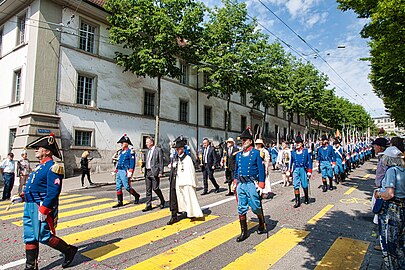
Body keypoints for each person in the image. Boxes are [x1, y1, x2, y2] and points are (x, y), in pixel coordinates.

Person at [12, 133, 78, 269]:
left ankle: (69, 250)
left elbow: (53, 191)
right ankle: (31, 266)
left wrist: (45, 208)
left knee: (43, 235)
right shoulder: (38, 167)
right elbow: (34, 187)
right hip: (30, 205)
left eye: (38, 148)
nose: (35, 150)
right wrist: (22, 197)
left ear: (47, 151)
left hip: (41, 206)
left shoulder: (53, 167)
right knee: (30, 235)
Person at [233, 127, 266, 242]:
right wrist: (235, 182)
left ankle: (261, 222)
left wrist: (261, 185)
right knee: (241, 208)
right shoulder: (238, 155)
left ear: (250, 141)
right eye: (242, 140)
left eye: (245, 140)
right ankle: (244, 232)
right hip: (241, 184)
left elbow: (261, 170)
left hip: (251, 183)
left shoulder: (257, 154)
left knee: (256, 206)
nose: (243, 142)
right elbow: (236, 170)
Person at [374, 146, 405, 269]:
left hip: (392, 210)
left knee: (389, 244)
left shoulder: (392, 171)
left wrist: (379, 194)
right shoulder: (403, 170)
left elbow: (389, 194)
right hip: (402, 208)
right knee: (400, 245)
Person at [167, 136, 204, 225]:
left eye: (178, 149)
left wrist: (191, 182)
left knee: (188, 198)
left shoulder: (187, 159)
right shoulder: (175, 158)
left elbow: (190, 171)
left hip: (186, 182)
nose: (177, 150)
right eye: (176, 149)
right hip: (175, 181)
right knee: (174, 199)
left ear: (182, 149)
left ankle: (191, 213)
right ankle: (174, 216)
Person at [112, 134, 140, 208]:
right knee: (118, 186)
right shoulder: (121, 152)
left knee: (127, 187)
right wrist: (116, 170)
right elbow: (119, 162)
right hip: (119, 170)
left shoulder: (130, 152)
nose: (121, 144)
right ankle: (120, 201)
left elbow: (132, 162)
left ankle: (136, 195)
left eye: (123, 142)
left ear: (127, 143)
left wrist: (130, 171)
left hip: (125, 171)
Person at [142, 136, 165, 212]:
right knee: (148, 189)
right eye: (146, 142)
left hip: (154, 172)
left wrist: (161, 172)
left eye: (147, 142)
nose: (146, 144)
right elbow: (147, 161)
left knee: (155, 188)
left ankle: (162, 200)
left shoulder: (158, 150)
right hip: (147, 172)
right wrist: (143, 164)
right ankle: (148, 205)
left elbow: (161, 162)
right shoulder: (147, 151)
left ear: (151, 142)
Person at [288, 136, 312, 208]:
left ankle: (306, 197)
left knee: (304, 185)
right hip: (296, 169)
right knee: (295, 185)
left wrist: (310, 171)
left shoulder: (306, 151)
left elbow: (310, 162)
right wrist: (289, 170)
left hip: (303, 169)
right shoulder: (293, 152)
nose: (297, 144)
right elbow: (291, 162)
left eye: (298, 143)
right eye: (296, 143)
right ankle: (297, 201)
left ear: (301, 144)